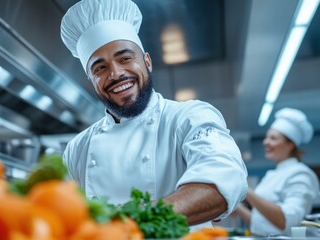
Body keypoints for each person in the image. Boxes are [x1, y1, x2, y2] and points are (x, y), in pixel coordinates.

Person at [60, 0, 248, 228]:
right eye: (100, 68)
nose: (116, 73)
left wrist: (130, 222)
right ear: (91, 81)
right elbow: (67, 217)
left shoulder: (188, 117)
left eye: (125, 58)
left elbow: (222, 182)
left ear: (147, 62)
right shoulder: (78, 148)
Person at [235, 108, 319, 236]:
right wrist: (234, 205)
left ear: (291, 144)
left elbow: (287, 222)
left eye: (273, 138)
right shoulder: (271, 175)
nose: (265, 142)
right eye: (266, 137)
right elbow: (258, 224)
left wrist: (245, 189)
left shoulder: (301, 174)